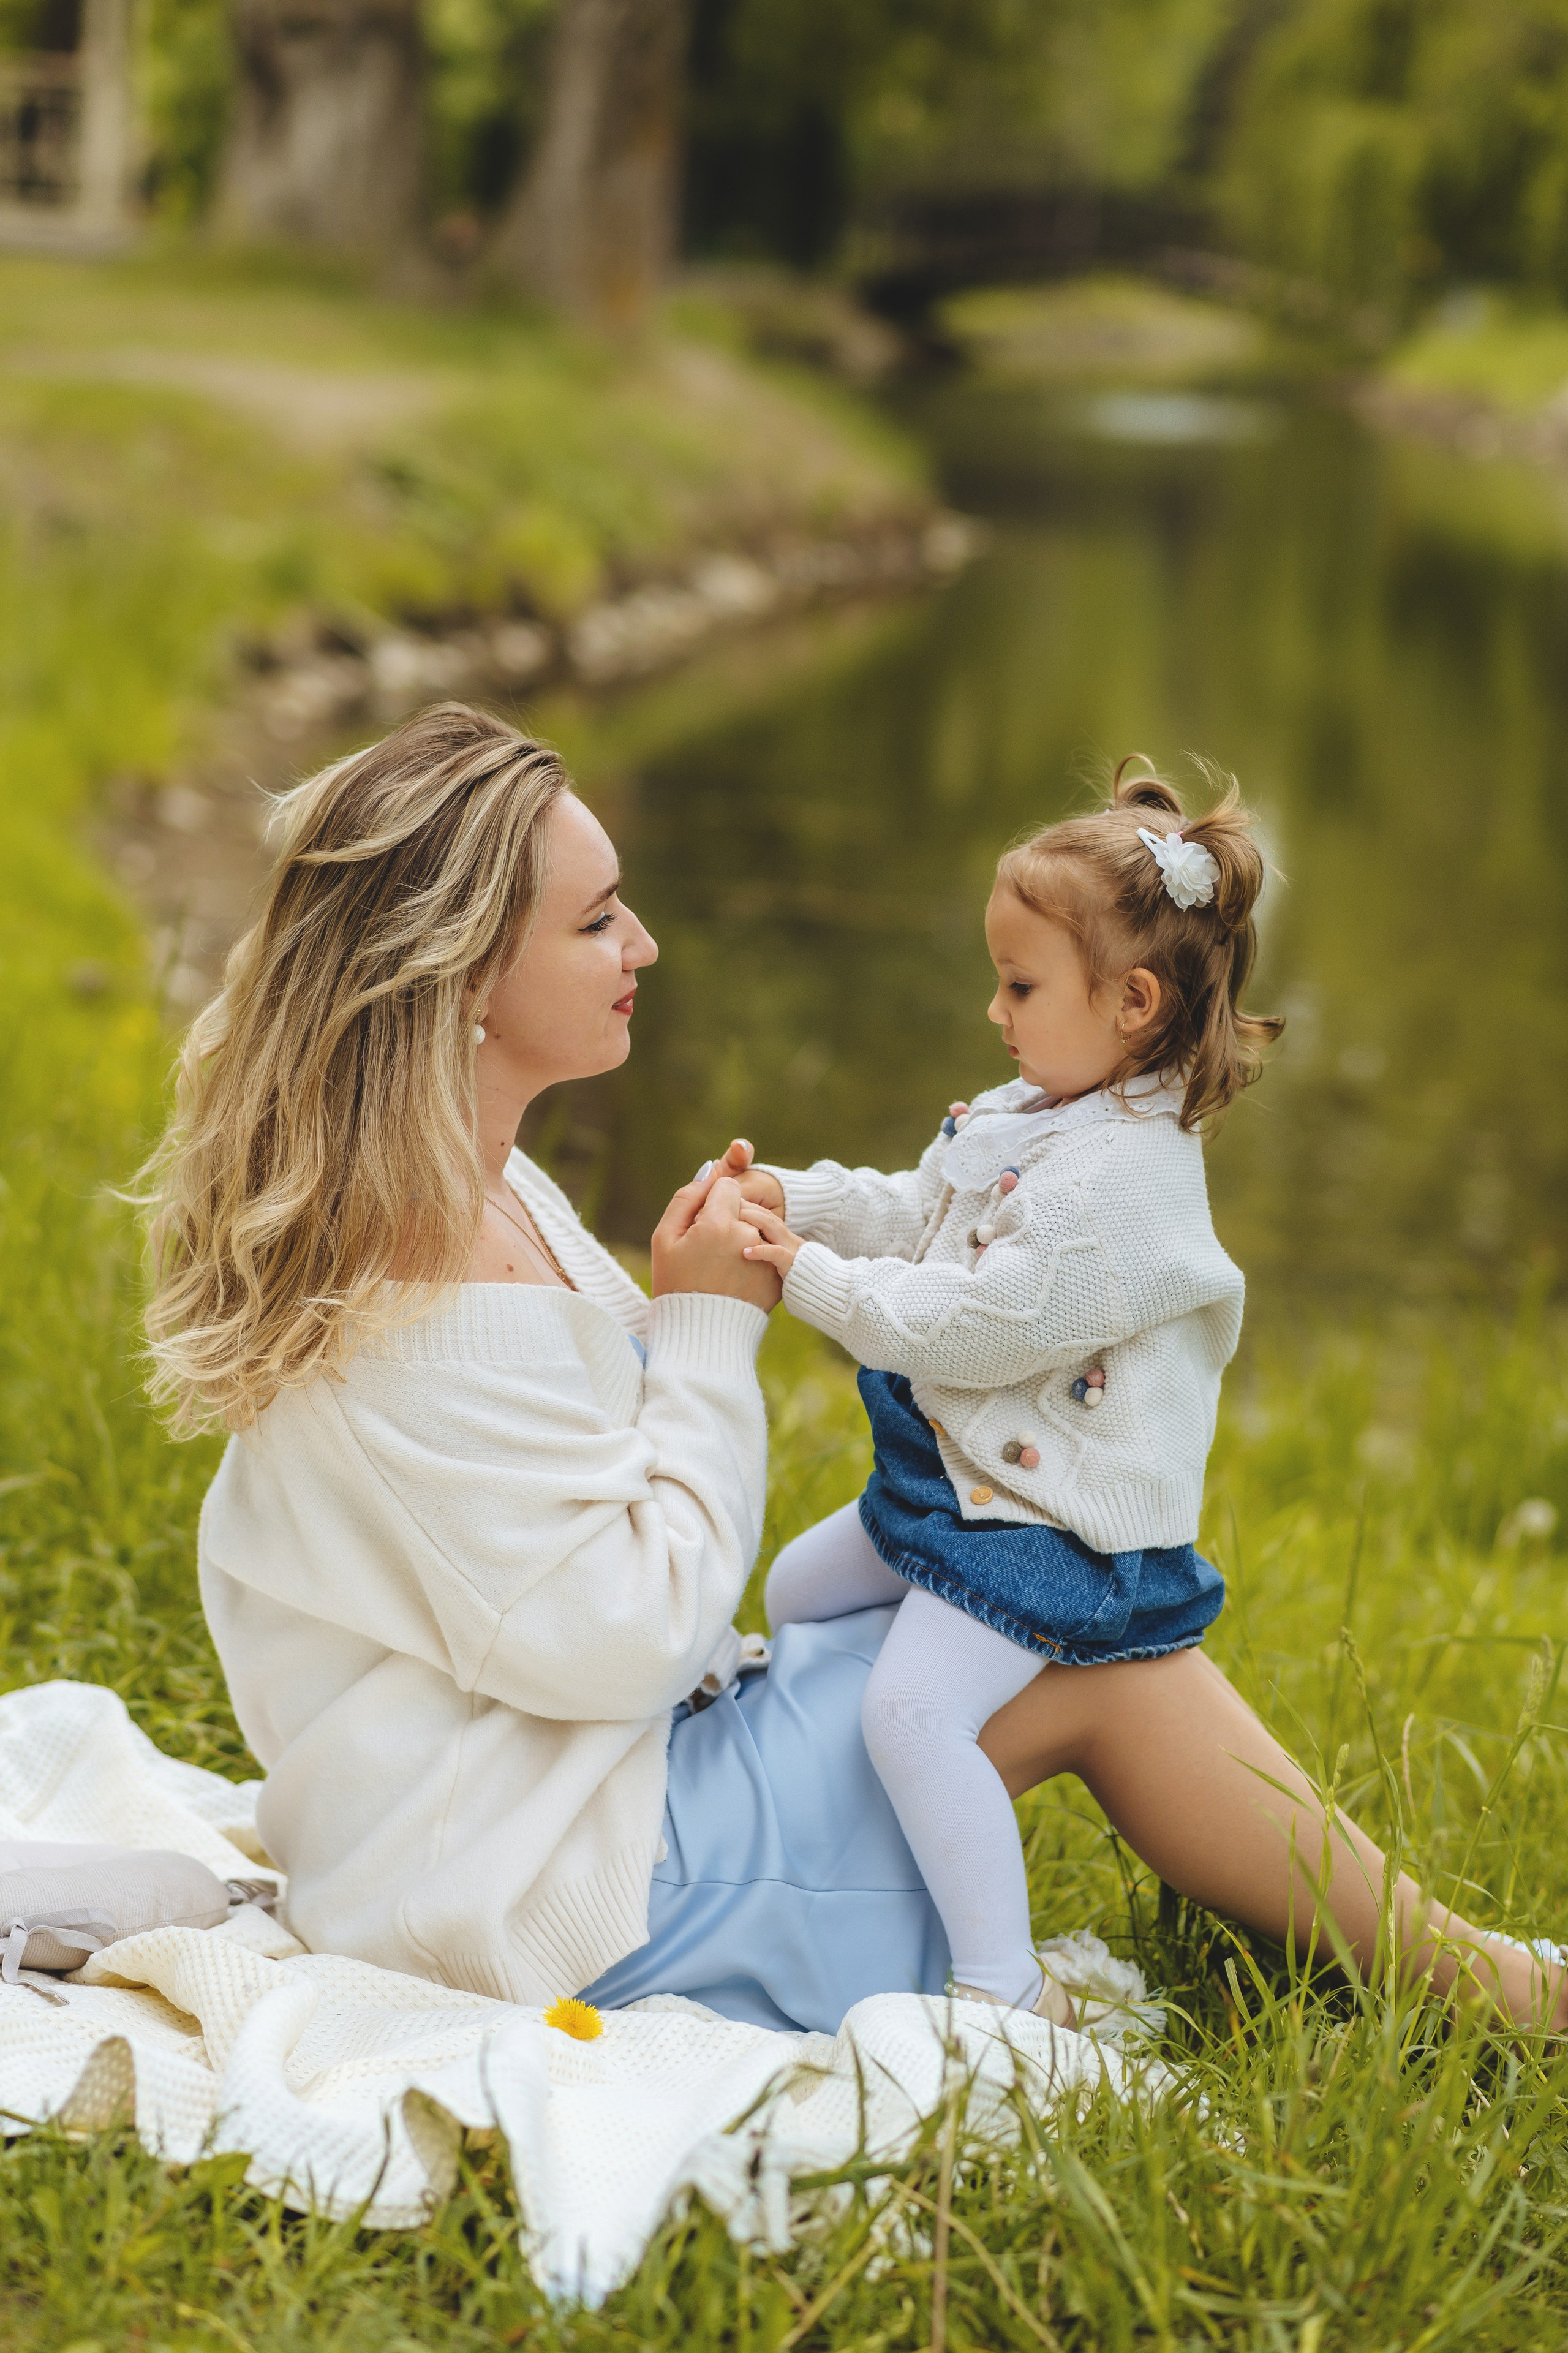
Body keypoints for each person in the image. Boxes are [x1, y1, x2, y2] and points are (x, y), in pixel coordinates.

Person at [142, 703, 1563, 2038]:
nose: (640, 944)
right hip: (567, 1898)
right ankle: (1493, 1989)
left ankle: (1416, 1955)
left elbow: (561, 1518)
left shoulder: (474, 1185)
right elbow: (629, 1630)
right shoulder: (428, 1260)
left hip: (555, 1805)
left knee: (993, 1606)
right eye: (593, 921)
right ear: (459, 976)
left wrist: (698, 1306)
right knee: (1099, 1655)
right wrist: (708, 1328)